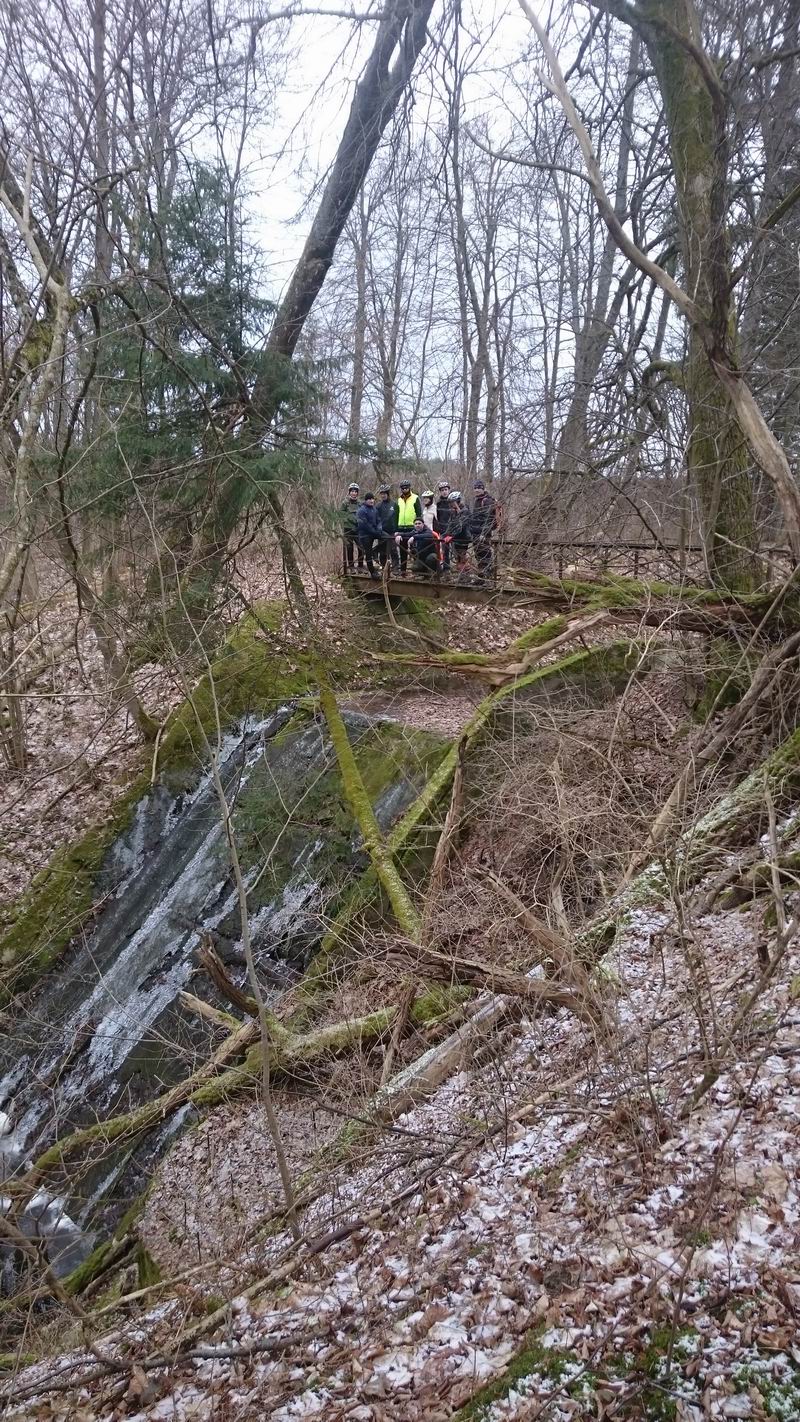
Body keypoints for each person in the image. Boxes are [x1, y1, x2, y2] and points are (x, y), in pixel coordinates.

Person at [470, 480, 501, 579]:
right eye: (475, 488)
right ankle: (482, 577)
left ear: (483, 489)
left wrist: (484, 533)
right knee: (478, 555)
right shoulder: (476, 500)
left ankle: (488, 577)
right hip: (476, 532)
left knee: (485, 554)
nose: (477, 490)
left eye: (479, 488)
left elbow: (489, 519)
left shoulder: (487, 501)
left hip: (484, 534)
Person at [395, 480, 422, 572]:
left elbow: (419, 514)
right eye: (403, 488)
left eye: (406, 487)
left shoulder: (415, 498)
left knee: (414, 551)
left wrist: (418, 527)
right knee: (403, 551)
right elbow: (396, 514)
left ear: (409, 487)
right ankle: (403, 571)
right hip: (401, 528)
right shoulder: (399, 500)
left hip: (412, 528)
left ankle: (417, 571)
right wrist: (396, 529)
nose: (404, 489)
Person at [356, 493, 382, 580]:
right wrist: (374, 532)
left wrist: (379, 529)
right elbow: (364, 524)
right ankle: (372, 572)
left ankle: (376, 551)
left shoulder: (374, 509)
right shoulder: (361, 510)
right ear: (366, 500)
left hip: (374, 533)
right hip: (365, 535)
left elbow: (379, 520)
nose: (371, 501)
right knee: (368, 553)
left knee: (386, 539)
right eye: (369, 499)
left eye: (372, 499)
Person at [340, 482, 363, 573]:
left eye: (355, 491)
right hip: (348, 529)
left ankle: (360, 566)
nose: (354, 493)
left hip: (358, 529)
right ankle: (351, 567)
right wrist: (350, 521)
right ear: (349, 492)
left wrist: (360, 522)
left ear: (357, 493)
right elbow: (342, 515)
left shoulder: (360, 503)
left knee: (361, 547)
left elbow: (363, 514)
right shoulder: (345, 503)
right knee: (349, 548)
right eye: (352, 491)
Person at [447, 490, 471, 574]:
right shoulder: (453, 512)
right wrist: (447, 534)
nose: (451, 504)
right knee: (457, 557)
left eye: (453, 502)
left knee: (462, 557)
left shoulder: (465, 511)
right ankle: (461, 575)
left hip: (463, 537)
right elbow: (450, 524)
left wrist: (452, 535)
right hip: (456, 538)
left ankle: (465, 575)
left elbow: (461, 525)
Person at [375, 485, 399, 569]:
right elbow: (376, 519)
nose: (383, 495)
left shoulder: (394, 504)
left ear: (388, 494)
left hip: (392, 531)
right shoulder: (378, 506)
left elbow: (397, 518)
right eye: (381, 493)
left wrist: (397, 530)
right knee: (382, 551)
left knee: (393, 550)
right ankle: (384, 567)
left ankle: (396, 568)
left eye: (384, 493)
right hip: (382, 532)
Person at [435, 479, 452, 566]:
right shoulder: (438, 503)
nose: (444, 492)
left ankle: (460, 570)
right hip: (442, 530)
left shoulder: (453, 502)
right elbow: (437, 517)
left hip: (453, 530)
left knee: (457, 552)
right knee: (444, 551)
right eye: (442, 490)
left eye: (446, 490)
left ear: (449, 490)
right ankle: (446, 568)